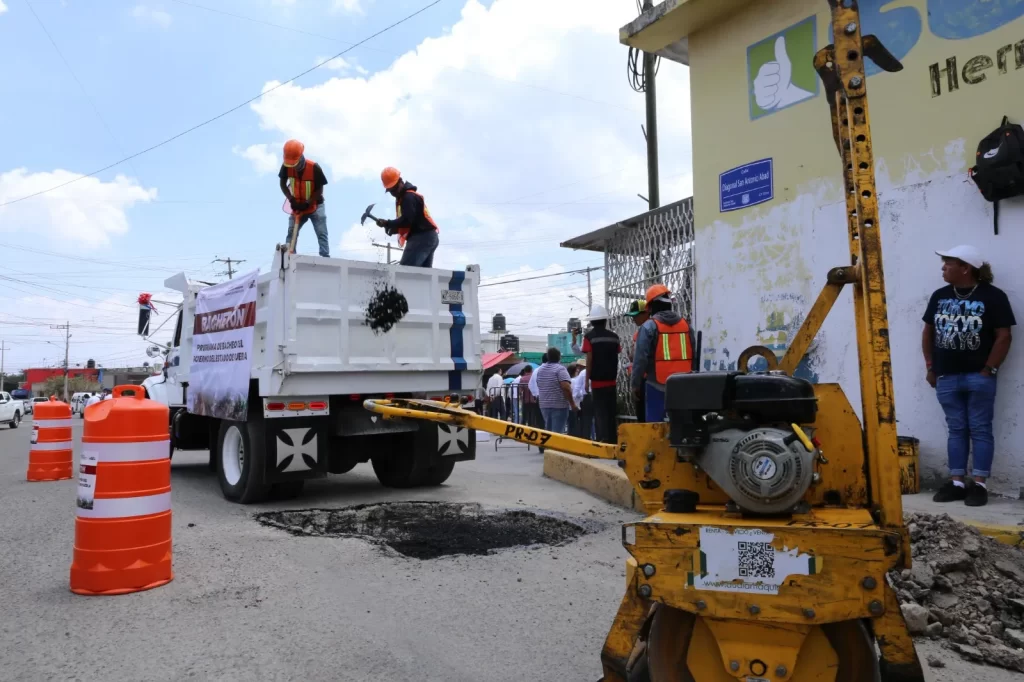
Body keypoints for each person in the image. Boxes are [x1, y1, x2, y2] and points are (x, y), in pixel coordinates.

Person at [923, 245, 1014, 508]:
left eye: (948, 263)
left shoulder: (993, 297)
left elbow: (1004, 336)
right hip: (946, 376)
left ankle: (980, 484)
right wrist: (931, 367)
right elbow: (928, 332)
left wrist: (989, 369)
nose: (943, 268)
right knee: (956, 429)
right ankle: (957, 482)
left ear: (966, 268)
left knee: (981, 429)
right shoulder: (940, 296)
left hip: (979, 376)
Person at [631, 285, 694, 423]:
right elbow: (693, 354)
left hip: (656, 384)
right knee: (682, 425)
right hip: (683, 383)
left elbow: (640, 359)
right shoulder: (686, 326)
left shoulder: (649, 327)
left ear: (651, 306)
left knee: (654, 425)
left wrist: (635, 385)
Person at [573, 304, 621, 444]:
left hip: (597, 382)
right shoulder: (614, 337)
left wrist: (587, 381)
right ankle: (613, 440)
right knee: (611, 411)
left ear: (592, 321)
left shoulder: (589, 337)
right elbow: (617, 354)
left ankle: (602, 440)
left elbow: (590, 359)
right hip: (612, 380)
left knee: (600, 413)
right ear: (605, 320)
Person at [377, 167, 440, 268]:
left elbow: (407, 220)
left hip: (422, 237)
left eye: (395, 188)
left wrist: (388, 223)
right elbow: (413, 222)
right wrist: (395, 229)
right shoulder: (407, 198)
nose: (394, 193)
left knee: (404, 273)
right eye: (391, 191)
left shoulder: (408, 197)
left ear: (401, 181)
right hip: (429, 237)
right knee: (423, 277)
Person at [279, 139, 330, 258]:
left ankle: (325, 257)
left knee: (321, 232)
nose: (292, 166)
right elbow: (282, 184)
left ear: (300, 157)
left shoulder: (314, 167)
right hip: (297, 205)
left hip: (315, 205)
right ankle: (289, 257)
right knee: (291, 232)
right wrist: (291, 200)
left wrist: (308, 203)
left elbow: (319, 190)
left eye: (294, 163)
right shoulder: (286, 166)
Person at [534, 348, 578, 434]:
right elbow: (566, 387)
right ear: (559, 357)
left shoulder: (540, 369)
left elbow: (539, 384)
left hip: (544, 404)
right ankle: (554, 447)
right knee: (557, 432)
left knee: (549, 431)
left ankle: (548, 447)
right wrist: (572, 404)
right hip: (559, 405)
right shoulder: (560, 369)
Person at [625, 299, 650, 422]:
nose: (633, 319)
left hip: (644, 379)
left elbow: (638, 359)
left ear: (646, 313)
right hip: (648, 378)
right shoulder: (639, 332)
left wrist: (635, 384)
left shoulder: (643, 331)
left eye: (636, 316)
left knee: (643, 416)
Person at [571, 357, 594, 439]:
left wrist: (574, 403)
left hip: (586, 398)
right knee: (598, 421)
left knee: (586, 422)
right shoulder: (597, 370)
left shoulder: (583, 373)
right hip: (597, 397)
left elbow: (576, 389)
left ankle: (586, 440)